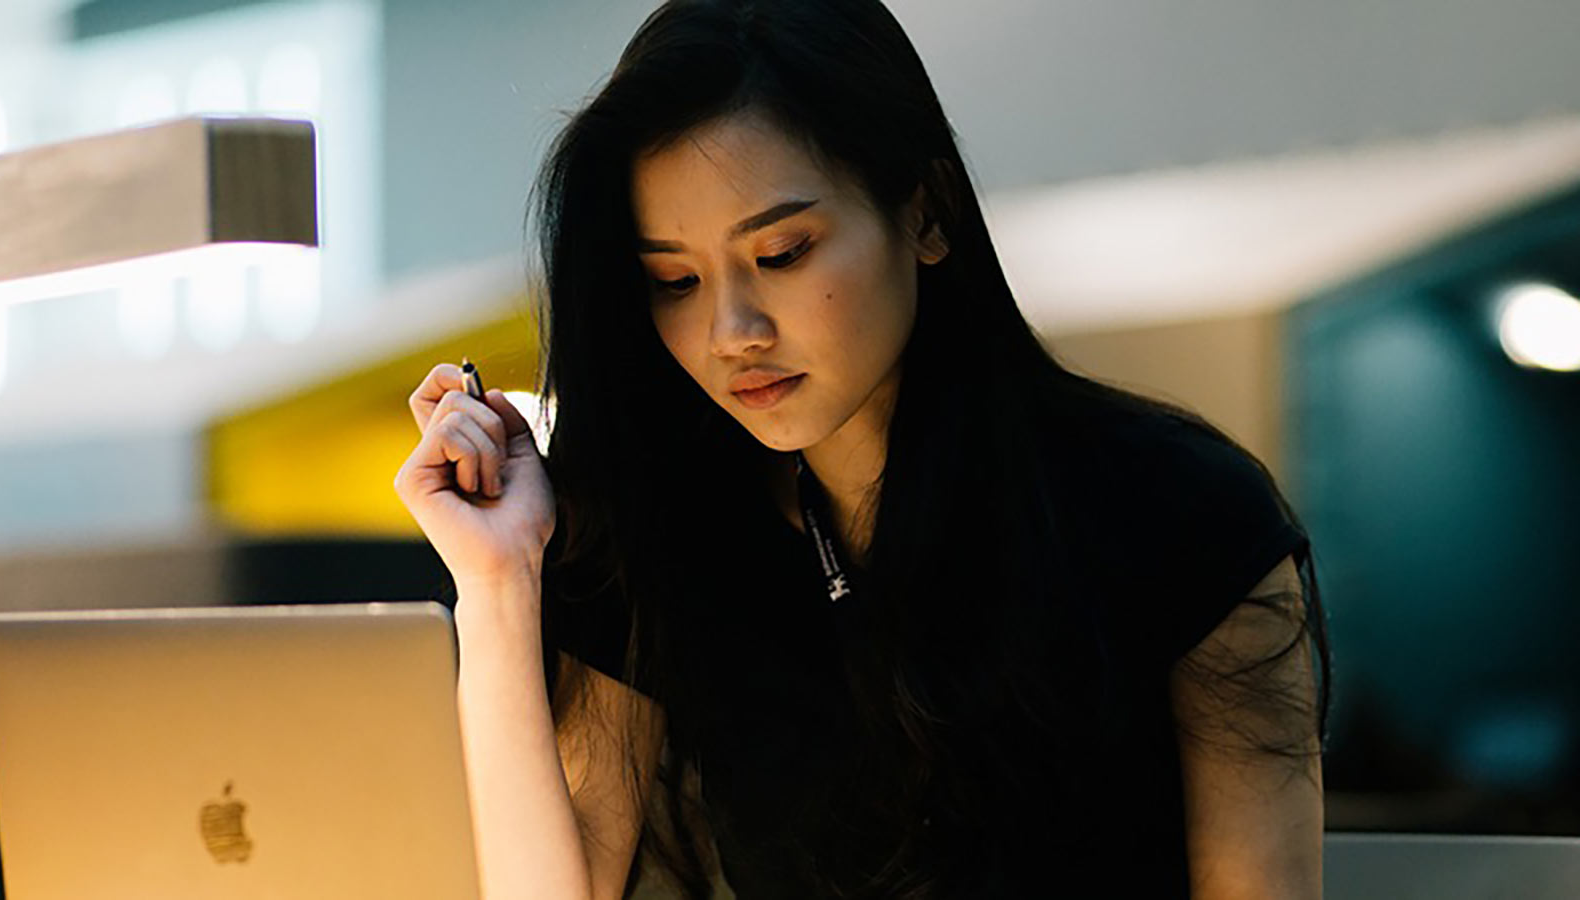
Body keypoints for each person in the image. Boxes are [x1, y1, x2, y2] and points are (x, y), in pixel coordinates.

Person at [394, 0, 1331, 897]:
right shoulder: (673, 534)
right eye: (674, 280)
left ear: (924, 215)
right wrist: (499, 583)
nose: (732, 330)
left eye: (784, 254)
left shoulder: (1179, 514)